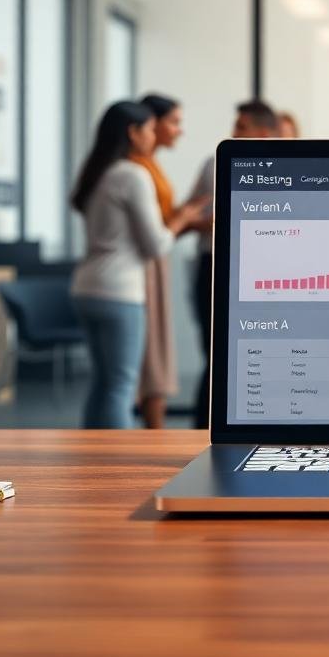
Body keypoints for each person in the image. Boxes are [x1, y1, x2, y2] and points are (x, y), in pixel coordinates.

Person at [70, 102, 206, 429]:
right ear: (133, 133)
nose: (152, 135)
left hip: (86, 287)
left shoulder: (99, 172)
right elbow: (156, 244)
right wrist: (183, 218)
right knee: (121, 385)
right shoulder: (134, 175)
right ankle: (119, 462)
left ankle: (92, 456)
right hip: (121, 292)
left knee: (102, 383)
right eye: (148, 128)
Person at [188, 100, 279, 429]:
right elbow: (189, 217)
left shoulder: (287, 167)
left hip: (264, 273)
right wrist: (225, 219)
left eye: (241, 127)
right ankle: (204, 433)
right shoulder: (216, 164)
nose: (233, 132)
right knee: (217, 359)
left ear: (264, 133)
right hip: (215, 267)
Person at [126, 93, 186, 430]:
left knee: (156, 353)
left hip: (156, 260)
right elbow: (155, 230)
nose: (179, 131)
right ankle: (153, 435)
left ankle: (155, 432)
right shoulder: (136, 169)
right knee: (151, 355)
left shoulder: (150, 165)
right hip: (146, 263)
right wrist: (187, 218)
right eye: (173, 122)